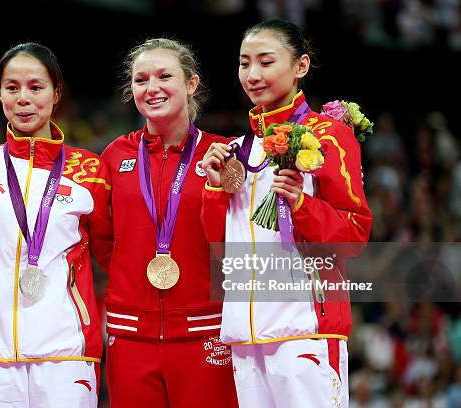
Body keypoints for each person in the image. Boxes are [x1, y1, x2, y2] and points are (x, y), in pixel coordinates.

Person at [0, 42, 112, 407]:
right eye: (12, 88)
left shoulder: (89, 171)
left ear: (56, 94)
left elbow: (114, 256)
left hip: (67, 349)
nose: (23, 98)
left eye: (36, 87)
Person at [201, 20, 372, 407]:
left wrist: (301, 205)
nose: (252, 75)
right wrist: (213, 189)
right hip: (245, 334)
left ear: (301, 66)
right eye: (244, 64)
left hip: (305, 327)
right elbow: (220, 251)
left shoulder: (328, 136)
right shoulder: (236, 151)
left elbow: (356, 236)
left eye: (266, 61)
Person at [99, 38, 238, 407]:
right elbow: (100, 238)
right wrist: (127, 277)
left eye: (164, 76)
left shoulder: (223, 153)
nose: (152, 88)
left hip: (205, 333)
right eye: (140, 79)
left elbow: (232, 241)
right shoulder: (115, 155)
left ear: (191, 84)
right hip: (130, 335)